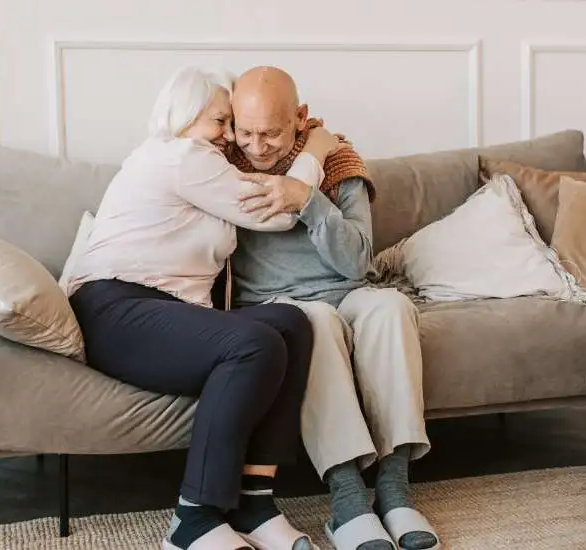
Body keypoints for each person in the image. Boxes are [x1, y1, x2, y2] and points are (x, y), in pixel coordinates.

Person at [64, 66, 342, 550]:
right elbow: (271, 212)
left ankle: (255, 505)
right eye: (221, 121)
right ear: (187, 115)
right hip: (116, 306)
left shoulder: (198, 163)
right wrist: (314, 154)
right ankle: (193, 520)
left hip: (160, 310)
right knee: (252, 345)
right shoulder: (183, 156)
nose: (230, 135)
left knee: (291, 324)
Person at [225, 66, 440, 550]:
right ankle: (346, 501)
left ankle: (394, 490)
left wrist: (309, 201)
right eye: (247, 131)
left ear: (300, 119)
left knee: (390, 306)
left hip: (348, 290)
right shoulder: (220, 165)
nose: (256, 147)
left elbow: (358, 259)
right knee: (312, 321)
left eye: (271, 134)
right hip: (274, 305)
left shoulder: (338, 162)